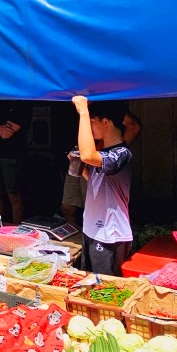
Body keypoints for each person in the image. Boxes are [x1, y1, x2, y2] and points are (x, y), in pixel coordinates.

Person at [73, 96, 134, 276]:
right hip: (91, 228)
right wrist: (79, 167)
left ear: (105, 122)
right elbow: (95, 180)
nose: (90, 127)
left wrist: (83, 112)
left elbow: (87, 155)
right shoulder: (104, 153)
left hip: (110, 234)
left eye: (93, 122)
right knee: (89, 284)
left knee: (105, 289)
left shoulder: (122, 153)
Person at [0, 100, 31, 225]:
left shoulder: (23, 106)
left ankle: (17, 228)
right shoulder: (1, 104)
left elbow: (5, 133)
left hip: (13, 157)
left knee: (13, 194)